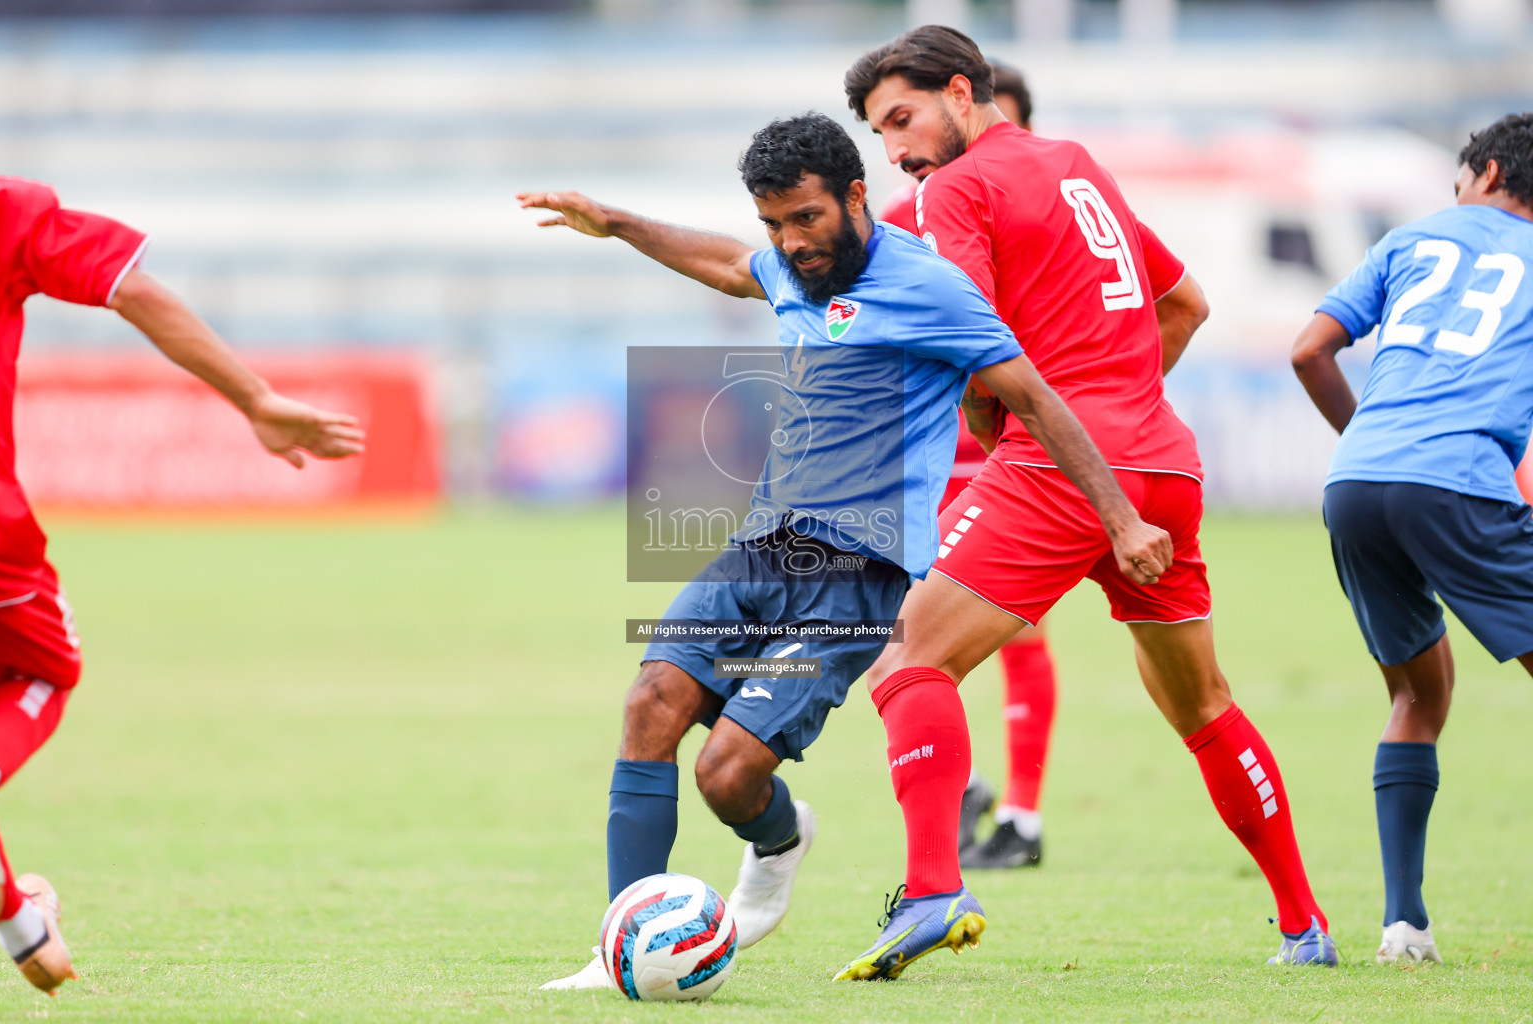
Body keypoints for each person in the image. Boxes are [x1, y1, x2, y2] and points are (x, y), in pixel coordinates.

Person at [520, 112, 1172, 990]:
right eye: (775, 225)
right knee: (650, 705)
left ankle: (781, 838)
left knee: (724, 776)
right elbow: (723, 262)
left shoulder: (931, 287)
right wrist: (621, 223)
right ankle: (621, 948)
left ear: (856, 195)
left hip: (856, 579)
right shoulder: (789, 269)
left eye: (806, 219)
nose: (791, 242)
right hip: (760, 551)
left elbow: (1038, 400)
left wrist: (1123, 520)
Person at [835, 26, 1335, 979]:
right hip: (1164, 464)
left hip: (1061, 469)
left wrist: (1008, 437)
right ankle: (1305, 925)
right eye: (877, 134)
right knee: (1201, 704)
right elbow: (1184, 303)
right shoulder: (1075, 164)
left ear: (958, 91)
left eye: (901, 119)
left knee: (906, 655)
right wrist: (1125, 407)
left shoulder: (954, 189)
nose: (894, 149)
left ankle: (935, 889)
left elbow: (967, 341)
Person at [0, 176, 365, 993]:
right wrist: (255, 397)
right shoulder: (8, 211)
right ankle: (23, 921)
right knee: (43, 671)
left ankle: (23, 918)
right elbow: (132, 288)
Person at [879, 60, 1209, 870]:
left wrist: (1085, 420)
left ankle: (989, 835)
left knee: (944, 644)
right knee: (918, 645)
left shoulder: (974, 188)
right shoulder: (912, 208)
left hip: (1034, 458)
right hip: (943, 458)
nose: (903, 149)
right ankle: (964, 795)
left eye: (903, 123)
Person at [1291, 112, 1533, 966]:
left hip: (1356, 483)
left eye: (1459, 180)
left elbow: (1310, 351)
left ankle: (1404, 925)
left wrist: (1372, 444)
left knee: (1417, 697)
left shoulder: (1411, 239)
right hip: (1459, 481)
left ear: (1490, 170)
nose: (1455, 196)